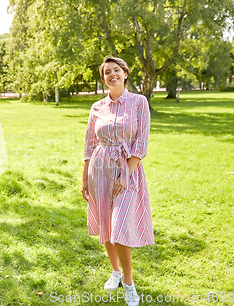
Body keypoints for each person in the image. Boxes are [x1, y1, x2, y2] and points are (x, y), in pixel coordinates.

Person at [81, 56, 154, 306]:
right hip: (99, 170)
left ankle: (129, 283)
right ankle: (115, 272)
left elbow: (141, 143)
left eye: (116, 70)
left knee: (120, 226)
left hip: (127, 170)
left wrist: (125, 174)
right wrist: (84, 180)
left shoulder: (138, 102)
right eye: (107, 72)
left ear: (125, 73)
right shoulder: (97, 107)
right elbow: (89, 145)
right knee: (107, 226)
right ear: (103, 78)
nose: (112, 75)